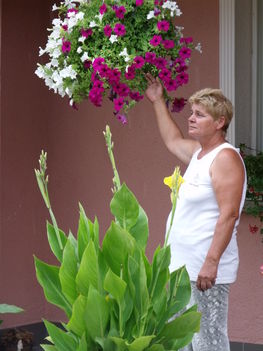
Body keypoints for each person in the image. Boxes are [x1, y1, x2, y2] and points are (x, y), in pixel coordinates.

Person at [145, 75, 247, 351]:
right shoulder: (200, 155)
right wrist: (157, 100)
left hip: (204, 270)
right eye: (191, 112)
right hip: (182, 268)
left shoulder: (225, 158)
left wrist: (211, 262)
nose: (191, 118)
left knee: (209, 342)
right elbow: (172, 140)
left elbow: (229, 215)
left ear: (219, 122)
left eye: (199, 115)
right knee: (184, 342)